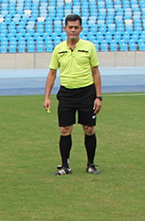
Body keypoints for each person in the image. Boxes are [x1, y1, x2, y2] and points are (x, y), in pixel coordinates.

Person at [43, 14, 102, 175]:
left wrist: (98, 96)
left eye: (76, 27)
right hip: (66, 94)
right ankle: (65, 166)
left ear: (81, 29)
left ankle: (91, 164)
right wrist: (47, 96)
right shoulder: (59, 49)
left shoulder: (89, 47)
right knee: (65, 129)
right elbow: (52, 73)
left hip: (86, 93)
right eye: (70, 27)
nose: (73, 30)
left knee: (89, 128)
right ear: (65, 29)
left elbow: (95, 72)